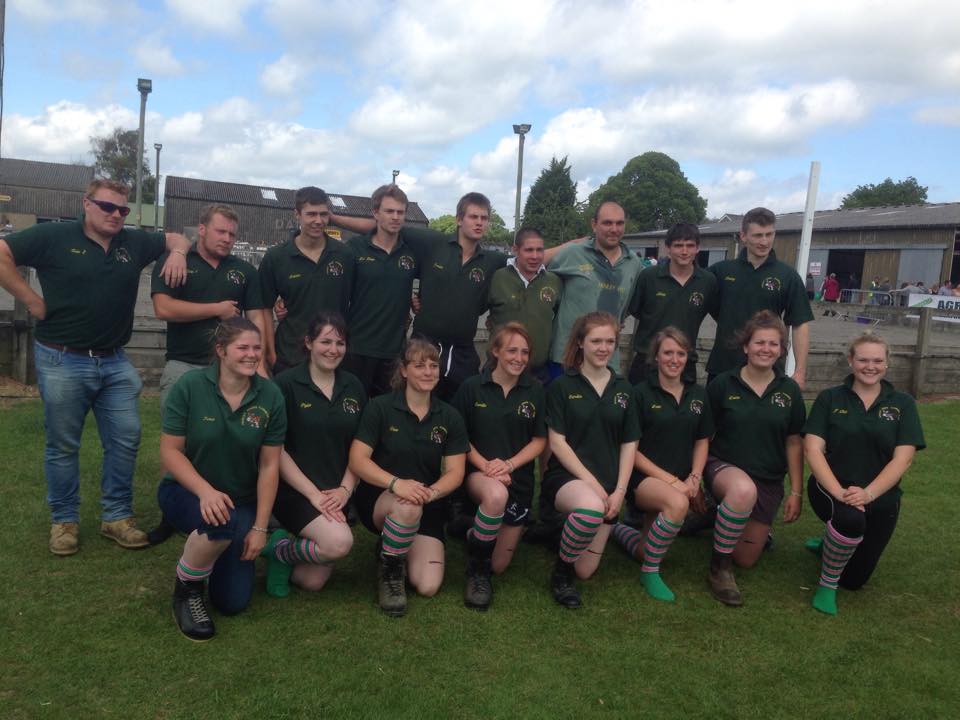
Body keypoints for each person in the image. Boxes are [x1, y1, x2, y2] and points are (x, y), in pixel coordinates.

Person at [0, 178, 191, 555]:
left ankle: (116, 517)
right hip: (61, 358)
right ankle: (64, 522)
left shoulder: (133, 242)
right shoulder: (52, 235)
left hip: (115, 361)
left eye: (122, 210)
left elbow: (175, 238)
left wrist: (180, 252)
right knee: (63, 445)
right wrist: (30, 299)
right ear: (86, 204)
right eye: (107, 207)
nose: (116, 215)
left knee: (125, 438)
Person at [159, 317, 286, 641]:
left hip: (242, 501)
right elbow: (170, 452)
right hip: (186, 491)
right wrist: (205, 491)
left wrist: (259, 527)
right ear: (221, 350)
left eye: (257, 348)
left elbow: (270, 466)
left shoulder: (270, 395)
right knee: (219, 523)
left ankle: (207, 553)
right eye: (242, 347)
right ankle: (187, 589)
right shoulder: (190, 386)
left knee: (232, 602)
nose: (252, 354)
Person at [335, 192, 507, 401]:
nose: (479, 222)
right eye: (473, 217)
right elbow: (382, 226)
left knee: (458, 408)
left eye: (484, 218)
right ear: (459, 219)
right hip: (422, 343)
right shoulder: (433, 242)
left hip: (461, 352)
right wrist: (331, 218)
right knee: (410, 404)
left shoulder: (493, 260)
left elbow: (530, 259)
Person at [803, 333, 925, 616]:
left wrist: (868, 493)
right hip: (831, 489)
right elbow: (812, 450)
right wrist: (841, 494)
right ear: (851, 361)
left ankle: (830, 542)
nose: (870, 366)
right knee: (850, 518)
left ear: (887, 364)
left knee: (855, 581)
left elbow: (903, 458)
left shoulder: (902, 403)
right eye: (863, 360)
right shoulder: (830, 398)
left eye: (877, 361)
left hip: (880, 497)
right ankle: (826, 585)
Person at [348, 338, 468, 616]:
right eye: (419, 365)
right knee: (406, 506)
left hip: (426, 501)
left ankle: (392, 545)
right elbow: (357, 460)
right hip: (381, 498)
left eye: (433, 365)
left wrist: (432, 493)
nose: (428, 372)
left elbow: (455, 472)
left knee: (427, 585)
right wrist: (396, 484)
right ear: (403, 370)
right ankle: (390, 572)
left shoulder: (449, 415)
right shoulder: (379, 407)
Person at [703, 310, 805, 606]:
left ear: (781, 351)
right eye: (759, 343)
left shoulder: (789, 391)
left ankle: (713, 516)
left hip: (767, 479)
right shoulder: (723, 384)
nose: (766, 349)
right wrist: (694, 478)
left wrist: (796, 491)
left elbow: (794, 442)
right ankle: (718, 570)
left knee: (746, 559)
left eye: (773, 344)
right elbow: (702, 437)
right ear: (746, 346)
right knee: (741, 490)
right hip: (723, 469)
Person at [265, 312, 366, 598]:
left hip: (337, 494)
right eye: (325, 341)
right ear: (308, 343)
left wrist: (346, 490)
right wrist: (313, 495)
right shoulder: (284, 385)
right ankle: (284, 544)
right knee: (338, 544)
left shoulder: (353, 386)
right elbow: (276, 450)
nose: (333, 350)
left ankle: (283, 551)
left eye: (340, 343)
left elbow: (361, 447)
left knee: (310, 581)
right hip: (297, 493)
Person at [542, 312, 639, 608]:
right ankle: (560, 574)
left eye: (610, 341)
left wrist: (620, 490)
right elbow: (557, 443)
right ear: (581, 343)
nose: (603, 348)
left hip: (609, 485)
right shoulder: (562, 386)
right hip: (568, 480)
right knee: (590, 510)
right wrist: (594, 486)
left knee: (586, 570)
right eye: (596, 341)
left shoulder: (624, 389)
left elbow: (629, 442)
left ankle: (568, 531)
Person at [611, 327, 713, 602]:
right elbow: (631, 449)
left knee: (647, 547)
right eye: (668, 352)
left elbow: (702, 440)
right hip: (642, 479)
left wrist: (695, 477)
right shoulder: (640, 393)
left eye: (680, 353)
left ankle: (615, 529)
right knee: (677, 504)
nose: (674, 359)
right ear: (656, 356)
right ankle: (650, 572)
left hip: (681, 480)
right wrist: (673, 483)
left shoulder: (698, 395)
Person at [451, 323, 547, 609]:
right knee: (495, 496)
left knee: (500, 564)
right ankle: (477, 573)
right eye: (512, 350)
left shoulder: (535, 390)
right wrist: (487, 466)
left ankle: (472, 531)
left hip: (518, 480)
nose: (519, 358)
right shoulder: (472, 387)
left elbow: (540, 439)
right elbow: (460, 438)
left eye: (525, 352)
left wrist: (508, 465)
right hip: (480, 476)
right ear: (495, 351)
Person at [153, 203, 269, 407]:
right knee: (179, 434)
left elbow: (256, 317)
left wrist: (259, 363)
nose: (227, 239)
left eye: (232, 235)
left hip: (230, 367)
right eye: (221, 231)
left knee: (229, 434)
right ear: (202, 229)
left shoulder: (245, 270)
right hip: (183, 364)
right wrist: (217, 309)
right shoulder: (177, 261)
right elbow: (163, 309)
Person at [706, 207, 813, 387]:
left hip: (768, 370)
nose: (764, 241)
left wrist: (800, 371)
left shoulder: (788, 276)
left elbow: (800, 324)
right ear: (743, 236)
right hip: (724, 366)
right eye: (757, 235)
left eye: (769, 234)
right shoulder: (721, 271)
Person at [259, 186, 354, 374]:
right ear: (297, 214)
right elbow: (263, 308)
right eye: (311, 214)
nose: (318, 221)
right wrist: (270, 353)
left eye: (324, 214)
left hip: (332, 356)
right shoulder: (276, 257)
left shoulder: (345, 255)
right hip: (290, 356)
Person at [547, 202, 644, 377]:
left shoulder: (633, 263)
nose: (614, 229)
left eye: (619, 223)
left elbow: (630, 304)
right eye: (607, 223)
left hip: (606, 360)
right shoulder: (573, 253)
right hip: (567, 358)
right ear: (594, 224)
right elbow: (529, 262)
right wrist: (568, 244)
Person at [340, 185, 419, 397]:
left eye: (400, 212)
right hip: (357, 348)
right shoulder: (353, 249)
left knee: (386, 416)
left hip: (394, 351)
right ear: (376, 213)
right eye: (389, 211)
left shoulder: (411, 252)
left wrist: (420, 299)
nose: (395, 217)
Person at [627, 222, 717, 385]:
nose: (684, 251)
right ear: (668, 248)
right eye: (678, 245)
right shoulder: (648, 277)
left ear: (698, 248)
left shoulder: (707, 281)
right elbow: (636, 310)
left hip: (684, 363)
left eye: (690, 246)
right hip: (647, 362)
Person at [486, 228, 562, 382]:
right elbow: (474, 305)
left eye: (539, 250)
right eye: (529, 250)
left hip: (539, 374)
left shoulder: (553, 281)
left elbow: (563, 314)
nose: (535, 256)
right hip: (498, 370)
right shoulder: (497, 277)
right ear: (516, 250)